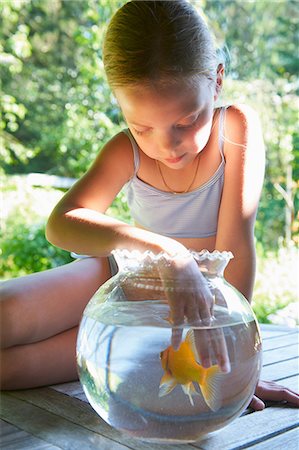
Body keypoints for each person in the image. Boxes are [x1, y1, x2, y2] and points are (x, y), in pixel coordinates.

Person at [0, 0, 298, 411]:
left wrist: (235, 360)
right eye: (142, 126)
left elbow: (236, 249)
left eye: (186, 121)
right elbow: (62, 224)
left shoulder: (236, 129)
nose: (166, 146)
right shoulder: (126, 150)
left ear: (217, 81)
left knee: (9, 371)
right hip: (122, 283)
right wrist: (167, 251)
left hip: (190, 319)